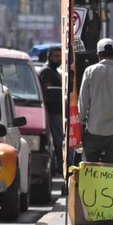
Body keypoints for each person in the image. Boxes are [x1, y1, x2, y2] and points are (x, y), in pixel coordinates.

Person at [38, 46, 63, 174]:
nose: (58, 59)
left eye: (60, 56)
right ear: (49, 57)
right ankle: (60, 164)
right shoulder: (47, 71)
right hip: (53, 111)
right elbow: (47, 91)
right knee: (58, 140)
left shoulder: (54, 71)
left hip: (57, 111)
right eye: (56, 56)